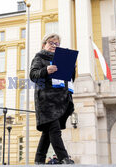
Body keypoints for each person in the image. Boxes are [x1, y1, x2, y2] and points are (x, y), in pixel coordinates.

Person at [30, 33, 75, 164]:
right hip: (46, 100)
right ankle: (64, 158)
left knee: (47, 132)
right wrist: (46, 70)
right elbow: (33, 75)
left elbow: (70, 79)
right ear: (44, 45)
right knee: (54, 129)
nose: (54, 46)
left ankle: (39, 160)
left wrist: (72, 68)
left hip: (60, 100)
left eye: (56, 44)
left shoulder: (62, 59)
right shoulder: (39, 56)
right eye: (51, 43)